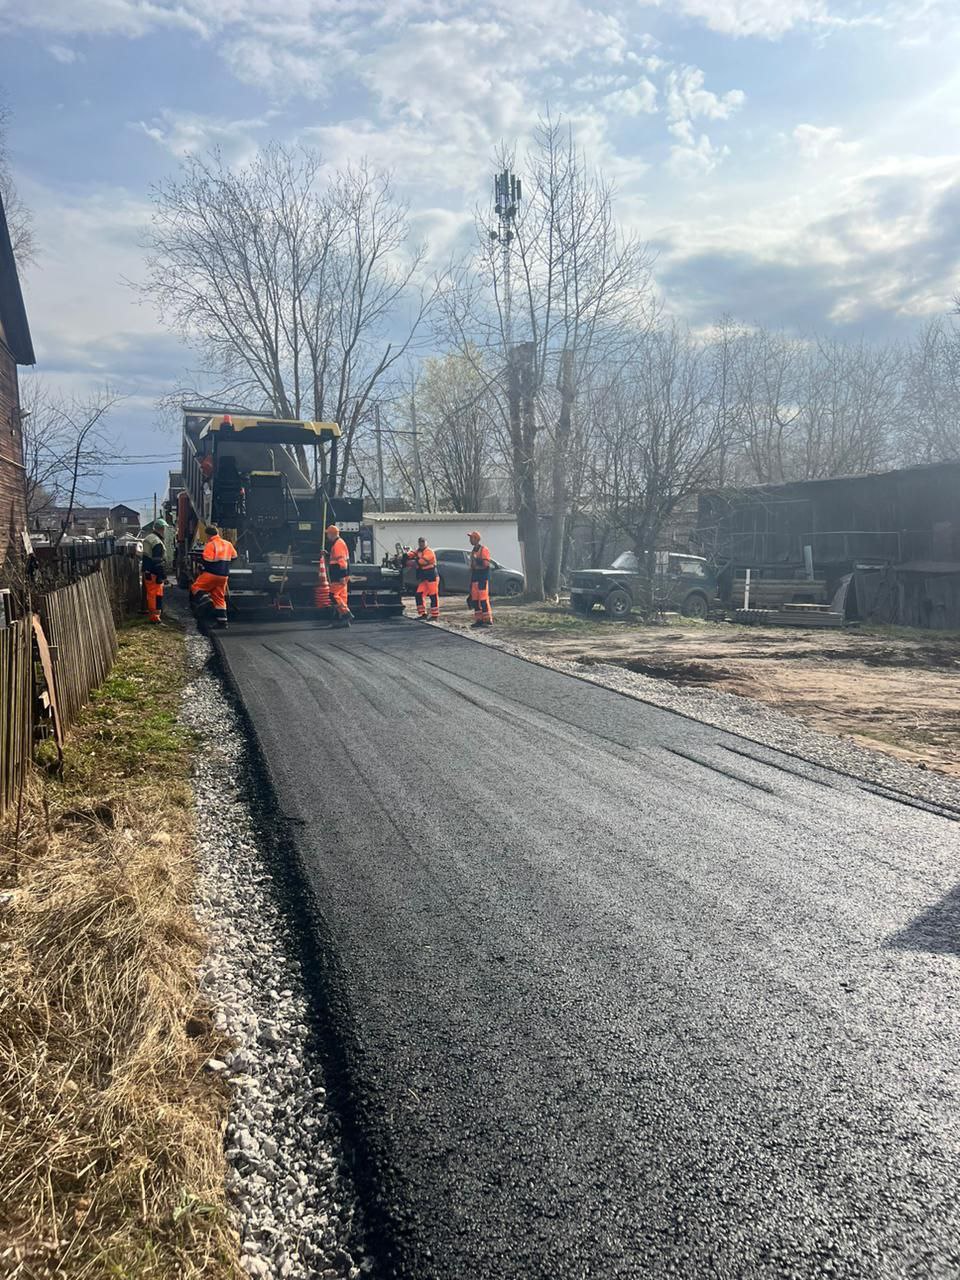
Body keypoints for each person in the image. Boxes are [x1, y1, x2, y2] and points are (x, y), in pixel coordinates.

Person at [190, 524, 237, 629]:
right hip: (224, 576)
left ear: (208, 535)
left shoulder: (210, 544)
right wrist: (225, 564)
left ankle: (206, 600)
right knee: (219, 598)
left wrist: (202, 564)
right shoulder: (228, 544)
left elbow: (207, 559)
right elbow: (234, 556)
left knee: (196, 587)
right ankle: (223, 622)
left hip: (211, 573)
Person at [326, 524, 353, 628]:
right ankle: (342, 620)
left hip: (339, 575)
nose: (327, 536)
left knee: (333, 595)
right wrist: (328, 554)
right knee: (342, 597)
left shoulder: (338, 544)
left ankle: (347, 614)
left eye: (328, 534)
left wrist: (342, 575)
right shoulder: (339, 543)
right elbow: (337, 558)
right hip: (342, 574)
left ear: (331, 534)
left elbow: (341, 561)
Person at [408, 537, 440, 620]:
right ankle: (423, 614)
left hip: (432, 576)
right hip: (424, 578)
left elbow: (422, 561)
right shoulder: (418, 551)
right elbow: (411, 554)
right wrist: (405, 556)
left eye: (423, 542)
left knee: (433, 595)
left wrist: (413, 562)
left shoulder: (429, 552)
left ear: (426, 543)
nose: (421, 543)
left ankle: (435, 615)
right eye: (420, 542)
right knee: (419, 594)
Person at [467, 530, 493, 628]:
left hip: (482, 578)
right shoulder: (473, 551)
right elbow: (472, 566)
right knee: (475, 600)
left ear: (476, 539)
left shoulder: (483, 550)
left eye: (471, 538)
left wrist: (476, 562)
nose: (470, 540)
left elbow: (486, 564)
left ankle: (487, 620)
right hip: (475, 578)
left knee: (483, 599)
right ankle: (479, 620)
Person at [142, 534, 166, 625]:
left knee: (152, 595)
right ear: (162, 529)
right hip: (154, 573)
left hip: (148, 571)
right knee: (156, 595)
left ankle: (154, 616)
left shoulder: (148, 538)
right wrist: (162, 574)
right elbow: (158, 561)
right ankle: (155, 618)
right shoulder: (157, 542)